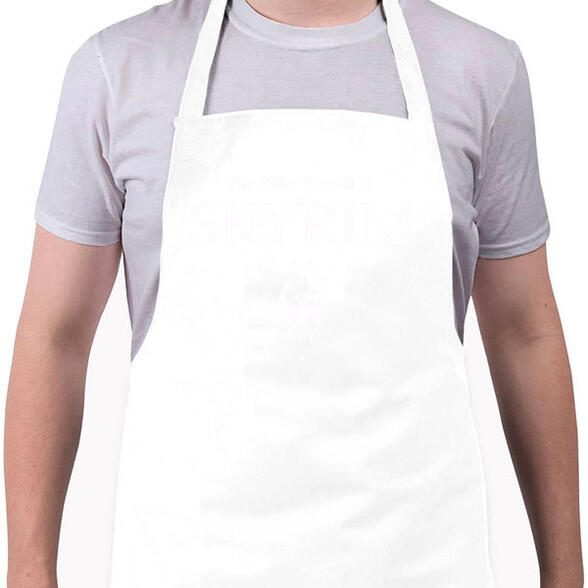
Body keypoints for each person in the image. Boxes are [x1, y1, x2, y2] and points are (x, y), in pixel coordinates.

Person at [4, 0, 582, 586]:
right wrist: (28, 571)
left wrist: (565, 574)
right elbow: (55, 338)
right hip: (188, 560)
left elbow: (523, 335)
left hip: (420, 559)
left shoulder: (479, 69)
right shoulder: (119, 69)